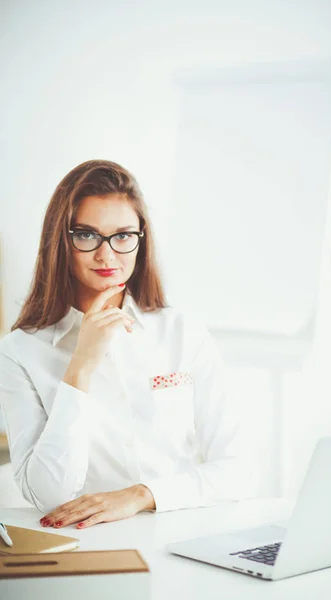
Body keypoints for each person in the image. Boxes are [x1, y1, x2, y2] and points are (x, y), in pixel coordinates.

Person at [0, 159, 259, 530]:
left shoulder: (182, 333)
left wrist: (141, 495)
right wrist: (82, 366)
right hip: (84, 548)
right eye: (86, 235)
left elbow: (240, 470)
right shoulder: (19, 352)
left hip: (177, 535)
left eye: (122, 236)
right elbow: (49, 497)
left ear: (140, 239)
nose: (107, 255)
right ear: (61, 241)